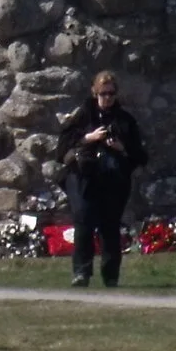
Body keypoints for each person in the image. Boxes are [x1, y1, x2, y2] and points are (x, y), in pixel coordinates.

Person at [57, 70, 148, 288]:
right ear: (94, 93)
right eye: (102, 94)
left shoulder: (125, 120)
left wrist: (121, 147)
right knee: (83, 222)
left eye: (111, 94)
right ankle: (81, 273)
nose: (107, 98)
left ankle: (110, 276)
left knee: (110, 227)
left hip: (112, 179)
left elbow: (140, 156)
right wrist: (89, 138)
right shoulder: (81, 116)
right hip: (83, 177)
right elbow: (61, 149)